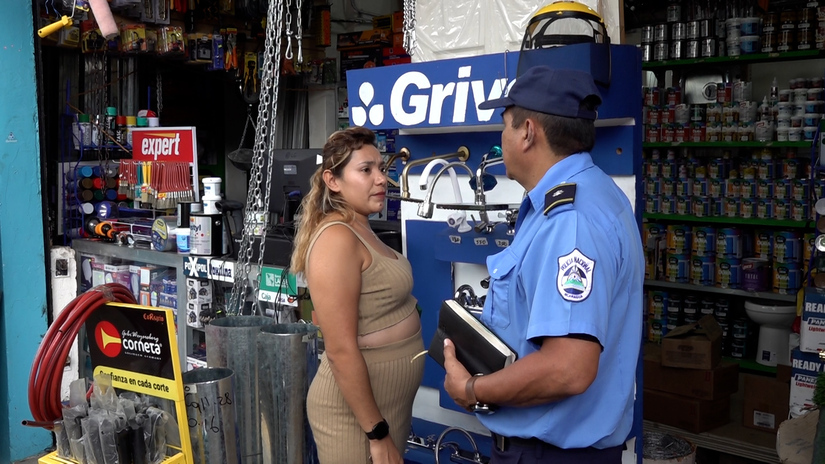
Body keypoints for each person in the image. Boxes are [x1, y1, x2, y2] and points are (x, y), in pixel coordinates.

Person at [441, 66, 643, 463]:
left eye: (505, 127)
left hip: (548, 454)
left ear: (528, 132)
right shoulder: (590, 193)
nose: (502, 139)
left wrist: (472, 390)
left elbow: (569, 369)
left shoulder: (569, 220)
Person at [290, 126, 425, 464]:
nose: (381, 179)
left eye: (381, 168)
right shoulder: (337, 239)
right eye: (366, 170)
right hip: (356, 420)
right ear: (333, 181)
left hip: (386, 406)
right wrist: (377, 434)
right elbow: (339, 350)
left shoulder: (362, 227)